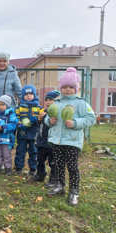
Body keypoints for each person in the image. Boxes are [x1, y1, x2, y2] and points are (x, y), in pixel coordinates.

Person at [45, 67, 95, 206]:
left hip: (72, 141)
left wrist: (75, 123)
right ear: (61, 88)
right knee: (58, 164)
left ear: (76, 88)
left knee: (72, 167)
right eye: (64, 87)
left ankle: (74, 191)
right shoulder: (57, 103)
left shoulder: (81, 103)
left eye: (71, 87)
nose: (67, 90)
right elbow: (47, 118)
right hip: (57, 140)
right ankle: (60, 186)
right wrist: (50, 121)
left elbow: (91, 119)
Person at [31, 90, 61, 188]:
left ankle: (53, 178)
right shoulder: (43, 112)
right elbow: (38, 125)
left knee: (53, 162)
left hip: (52, 143)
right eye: (46, 100)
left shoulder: (57, 113)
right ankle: (40, 174)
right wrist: (39, 119)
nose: (48, 102)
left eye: (51, 100)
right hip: (41, 141)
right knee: (40, 159)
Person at [14, 85, 44, 176]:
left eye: (31, 94)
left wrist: (37, 120)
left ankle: (33, 169)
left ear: (34, 95)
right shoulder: (19, 108)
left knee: (34, 152)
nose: (28, 96)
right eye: (26, 94)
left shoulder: (39, 108)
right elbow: (15, 118)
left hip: (34, 134)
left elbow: (43, 118)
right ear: (23, 96)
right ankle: (18, 167)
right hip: (22, 133)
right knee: (20, 151)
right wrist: (20, 124)